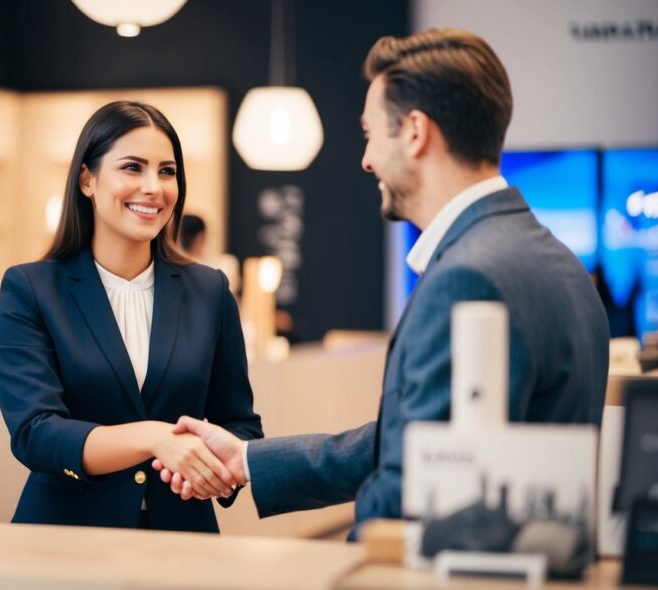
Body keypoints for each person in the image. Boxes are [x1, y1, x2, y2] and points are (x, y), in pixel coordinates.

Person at [152, 28, 610, 538]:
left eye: (371, 133)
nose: (366, 159)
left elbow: (409, 489)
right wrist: (249, 460)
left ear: (415, 131)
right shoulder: (557, 260)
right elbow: (416, 441)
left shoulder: (467, 276)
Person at [0, 101, 263, 532]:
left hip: (181, 540)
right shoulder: (31, 289)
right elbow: (36, 433)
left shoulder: (210, 290)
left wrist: (213, 473)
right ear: (87, 179)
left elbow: (241, 426)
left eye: (167, 171)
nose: (153, 187)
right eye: (132, 168)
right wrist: (155, 438)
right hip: (64, 539)